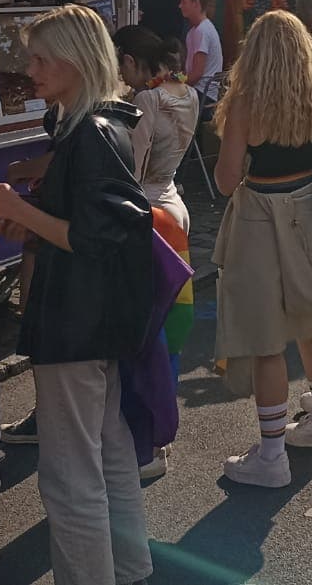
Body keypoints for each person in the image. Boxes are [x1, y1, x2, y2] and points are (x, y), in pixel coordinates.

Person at [0, 6, 154, 585]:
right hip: (97, 316)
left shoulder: (90, 131)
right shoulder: (98, 123)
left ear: (75, 59)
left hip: (76, 317)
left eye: (42, 58)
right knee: (109, 452)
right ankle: (130, 567)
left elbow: (94, 237)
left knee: (71, 475)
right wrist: (28, 219)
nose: (31, 69)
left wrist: (21, 211)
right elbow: (90, 226)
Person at [209, 10, 312, 486]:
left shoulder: (245, 103)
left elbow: (228, 181)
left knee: (264, 337)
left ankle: (271, 456)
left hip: (259, 217)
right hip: (308, 209)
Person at [112, 24, 199, 480]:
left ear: (129, 60)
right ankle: (156, 435)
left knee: (147, 335)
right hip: (174, 206)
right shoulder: (186, 92)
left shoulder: (144, 102)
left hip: (148, 212)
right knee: (169, 329)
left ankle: (146, 441)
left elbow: (134, 166)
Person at [179, 0, 224, 117]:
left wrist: (176, 82)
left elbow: (197, 74)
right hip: (197, 91)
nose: (180, 6)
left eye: (184, 2)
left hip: (203, 95)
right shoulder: (194, 31)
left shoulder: (202, 31)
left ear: (196, 4)